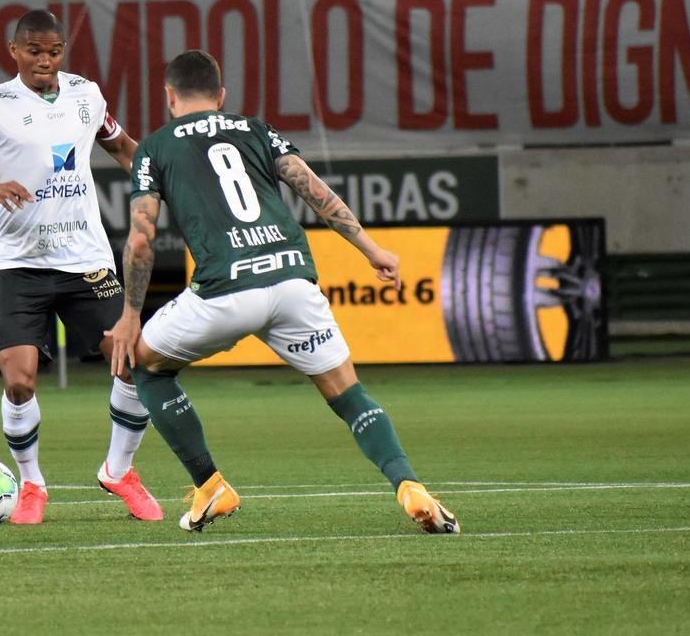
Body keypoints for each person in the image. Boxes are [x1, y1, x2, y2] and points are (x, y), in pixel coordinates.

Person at [106, 49, 459, 534]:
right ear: (221, 95)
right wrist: (371, 250)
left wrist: (130, 314)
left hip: (225, 291)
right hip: (293, 281)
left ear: (169, 96)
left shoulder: (155, 147)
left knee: (143, 363)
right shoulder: (255, 129)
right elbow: (314, 190)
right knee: (347, 393)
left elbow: (142, 237)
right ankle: (409, 485)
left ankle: (210, 485)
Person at [0, 10, 162, 524]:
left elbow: (125, 149)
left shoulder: (87, 96)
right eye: (34, 51)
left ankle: (119, 470)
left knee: (138, 362)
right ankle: (32, 483)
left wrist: (163, 183)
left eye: (54, 51)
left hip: (86, 261)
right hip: (20, 265)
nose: (45, 60)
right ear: (13, 50)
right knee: (19, 382)